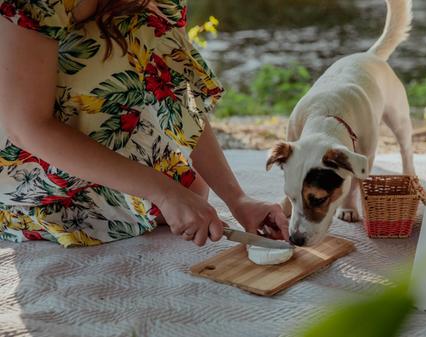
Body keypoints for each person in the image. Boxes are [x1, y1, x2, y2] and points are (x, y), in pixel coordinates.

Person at [0, 0, 288, 247]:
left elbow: (174, 94)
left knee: (192, 196)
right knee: (177, 201)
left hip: (112, 142)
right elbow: (27, 127)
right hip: (32, 164)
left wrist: (238, 199)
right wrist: (162, 192)